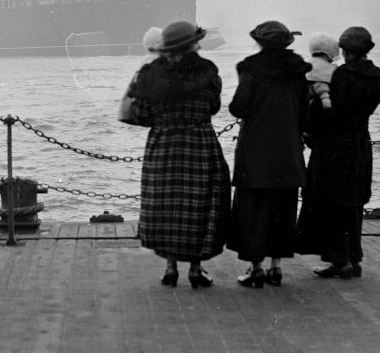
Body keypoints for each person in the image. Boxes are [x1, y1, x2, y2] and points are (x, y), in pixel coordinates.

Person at [122, 20, 231, 289]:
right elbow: (214, 107)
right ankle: (196, 268)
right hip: (199, 143)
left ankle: (169, 267)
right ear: (193, 44)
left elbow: (140, 114)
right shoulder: (208, 72)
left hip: (164, 146)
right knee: (199, 205)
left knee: (166, 206)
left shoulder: (150, 73)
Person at [227, 20, 310, 288]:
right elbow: (305, 116)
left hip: (255, 153)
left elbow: (238, 108)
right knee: (283, 209)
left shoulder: (250, 69)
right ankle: (276, 267)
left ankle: (256, 268)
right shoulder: (298, 70)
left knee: (253, 211)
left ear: (260, 42)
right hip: (287, 152)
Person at [296, 26, 380, 279]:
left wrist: (308, 128)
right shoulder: (375, 76)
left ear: (345, 50)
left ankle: (339, 260)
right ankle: (354, 259)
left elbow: (328, 112)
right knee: (353, 204)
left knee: (330, 204)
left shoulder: (343, 75)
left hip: (333, 147)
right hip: (360, 144)